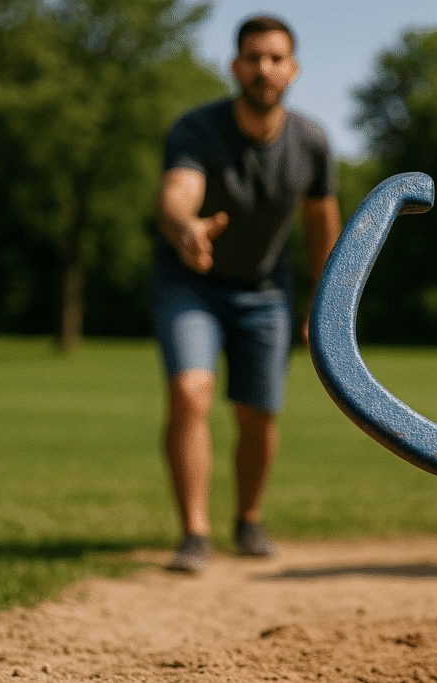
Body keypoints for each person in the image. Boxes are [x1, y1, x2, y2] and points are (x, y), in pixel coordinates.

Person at [151, 15, 341, 572]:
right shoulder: (197, 130)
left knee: (257, 414)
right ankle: (194, 534)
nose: (264, 68)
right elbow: (177, 193)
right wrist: (186, 227)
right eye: (253, 57)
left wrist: (322, 303)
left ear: (293, 70)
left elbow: (322, 223)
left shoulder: (311, 142)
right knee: (191, 392)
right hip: (192, 284)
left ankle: (249, 520)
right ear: (235, 66)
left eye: (276, 58)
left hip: (266, 290)